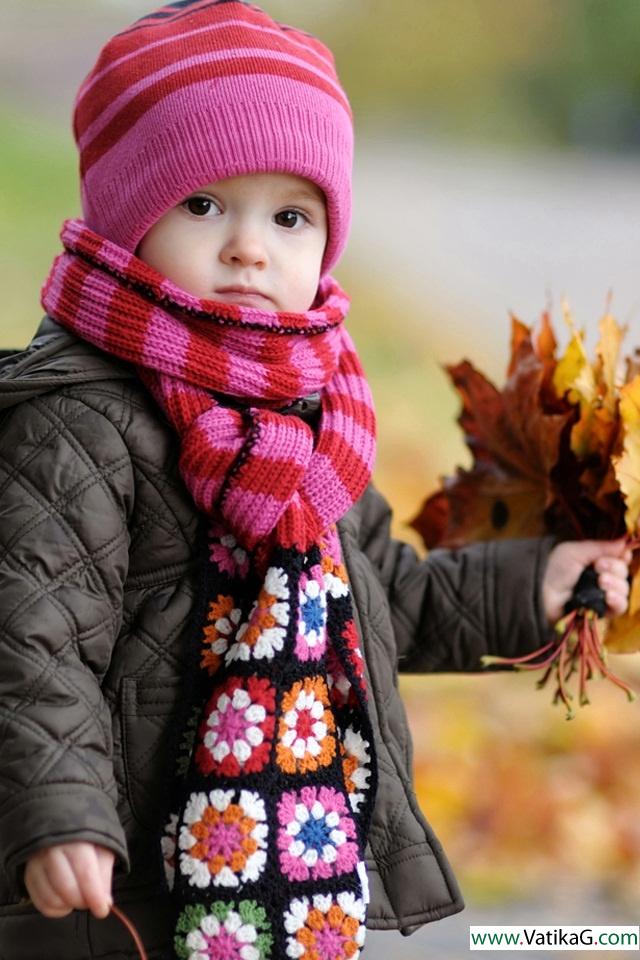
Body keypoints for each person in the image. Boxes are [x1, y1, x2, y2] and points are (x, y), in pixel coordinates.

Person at [0, 2, 632, 958]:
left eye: (290, 216)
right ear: (125, 217)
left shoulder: (310, 424)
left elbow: (388, 599)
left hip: (287, 865)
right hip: (126, 873)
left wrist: (530, 586)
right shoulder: (80, 419)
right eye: (204, 204)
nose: (251, 247)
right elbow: (34, 636)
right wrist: (59, 812)